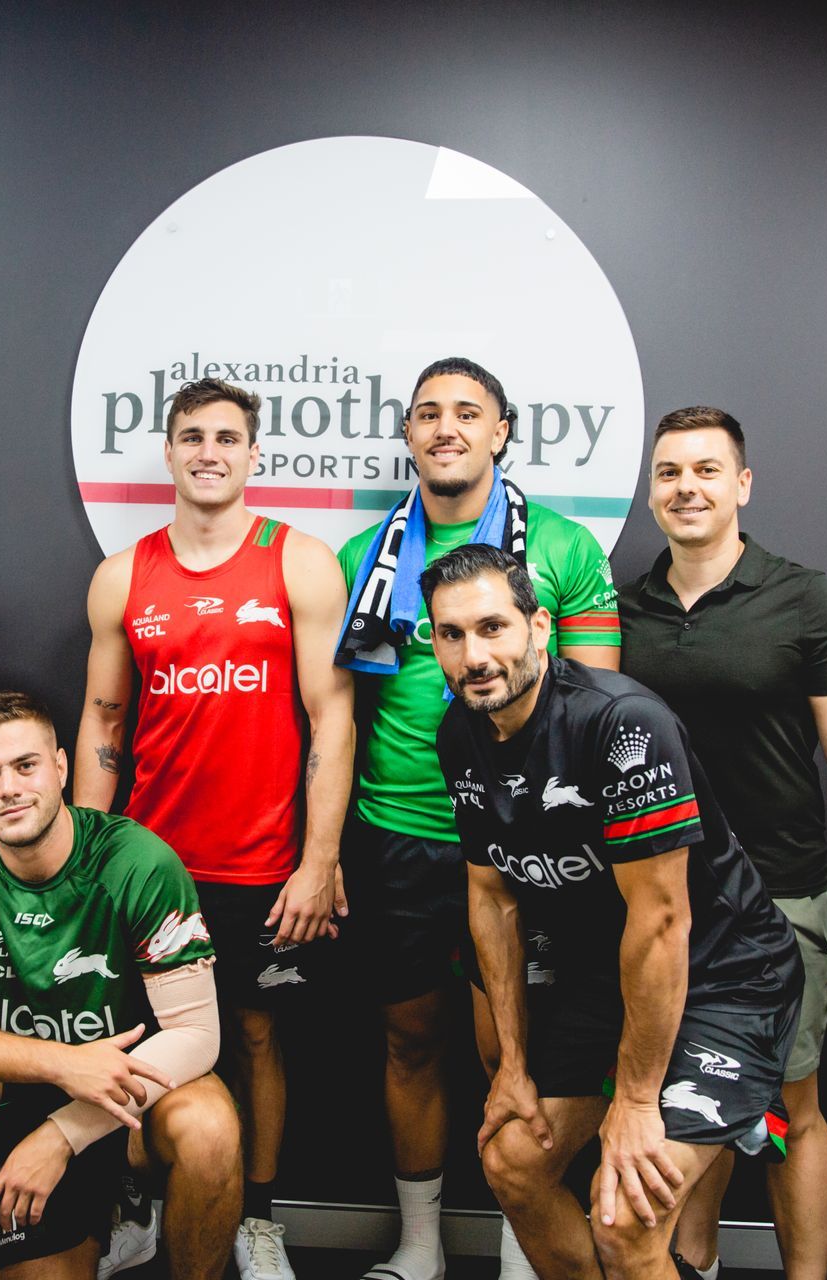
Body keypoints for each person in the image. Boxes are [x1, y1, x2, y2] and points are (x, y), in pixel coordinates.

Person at [424, 544, 803, 1280]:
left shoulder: (622, 724)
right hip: (606, 974)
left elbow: (663, 924)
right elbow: (493, 896)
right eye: (452, 634)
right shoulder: (460, 733)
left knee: (626, 1216)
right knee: (511, 1161)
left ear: (539, 627)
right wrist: (511, 1065)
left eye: (494, 627)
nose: (474, 655)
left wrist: (634, 1101)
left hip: (724, 976)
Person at [333, 357, 620, 1280]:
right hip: (403, 830)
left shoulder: (566, 548)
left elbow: (602, 704)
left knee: (517, 1045)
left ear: (502, 431)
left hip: (530, 841)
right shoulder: (359, 558)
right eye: (426, 413)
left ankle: (520, 1250)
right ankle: (419, 1246)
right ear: (408, 436)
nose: (444, 426)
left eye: (468, 412)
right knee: (410, 1039)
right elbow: (339, 721)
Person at [74, 377, 354, 1280]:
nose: (208, 451)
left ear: (254, 454)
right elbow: (102, 723)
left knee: (261, 1035)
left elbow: (333, 719)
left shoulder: (299, 562)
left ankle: (259, 1219)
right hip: (147, 870)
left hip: (263, 865)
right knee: (127, 1035)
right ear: (168, 450)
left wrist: (318, 862)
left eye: (227, 437)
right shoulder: (125, 574)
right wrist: (85, 858)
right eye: (192, 436)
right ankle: (135, 1204)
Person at [618, 407, 827, 1280]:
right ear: (652, 491)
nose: (686, 487)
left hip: (778, 899)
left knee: (791, 1107)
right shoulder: (622, 606)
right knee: (685, 1095)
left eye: (707, 470)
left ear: (742, 485)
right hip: (661, 905)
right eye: (668, 472)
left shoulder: (804, 598)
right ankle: (693, 1261)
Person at [0, 691, 243, 1280]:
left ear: (59, 767)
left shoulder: (138, 862)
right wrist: (60, 1064)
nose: (9, 788)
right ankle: (96, 1216)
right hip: (18, 1097)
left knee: (209, 1128)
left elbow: (198, 1035)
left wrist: (62, 1135)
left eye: (26, 766)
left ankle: (128, 1199)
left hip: (126, 1099)